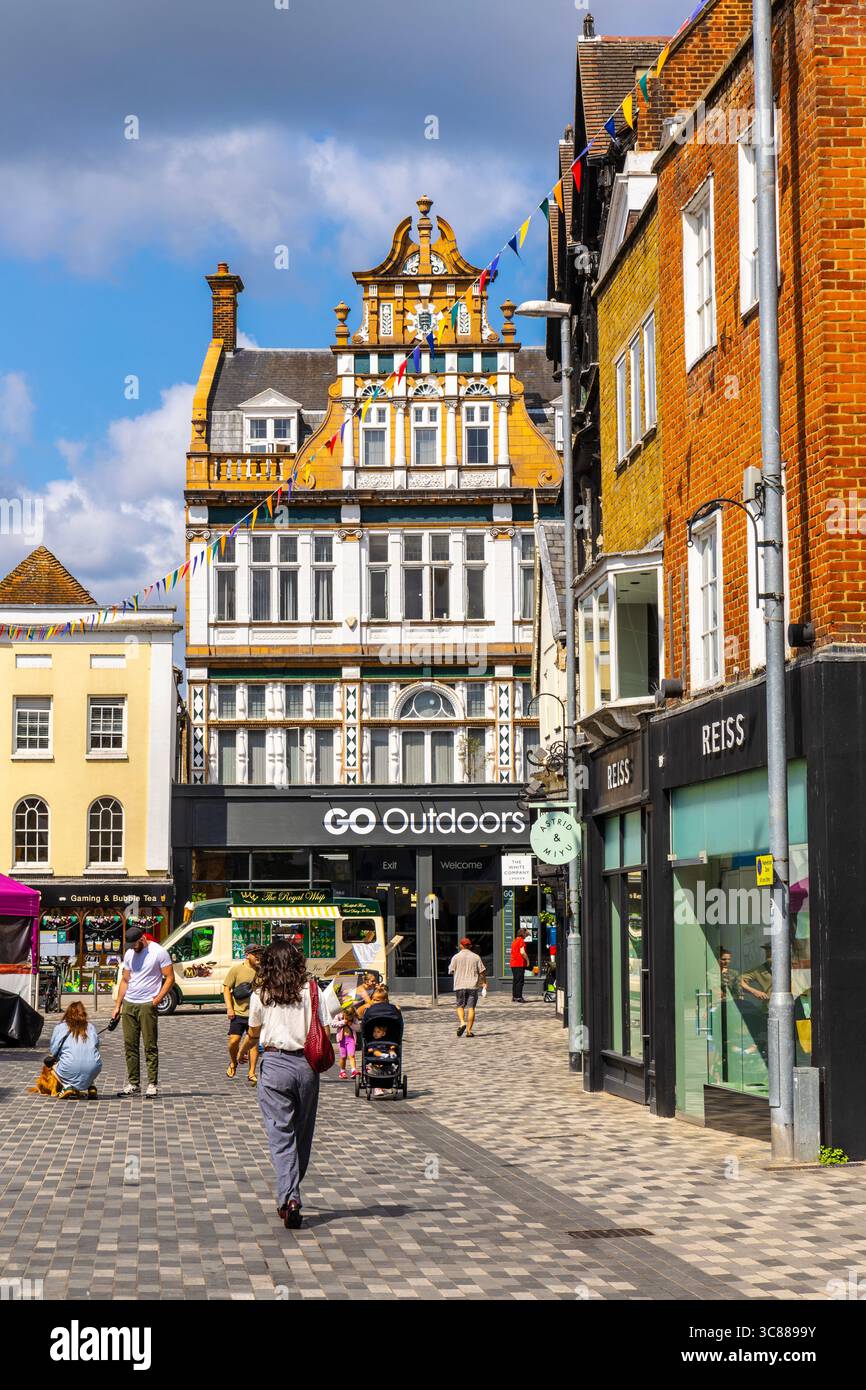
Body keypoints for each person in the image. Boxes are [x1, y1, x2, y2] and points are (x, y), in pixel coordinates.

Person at [247, 937, 340, 1229]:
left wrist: (239, 1053)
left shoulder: (260, 993)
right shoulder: (313, 991)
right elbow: (325, 1031)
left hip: (274, 1065)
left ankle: (290, 1197)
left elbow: (252, 1032)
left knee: (280, 1134)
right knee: (302, 1133)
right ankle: (290, 1192)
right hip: (306, 1066)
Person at [112, 924, 175, 1098]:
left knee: (150, 1045)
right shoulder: (129, 953)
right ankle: (134, 1084)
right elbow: (125, 981)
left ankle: (152, 1084)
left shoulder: (158, 952)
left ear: (143, 938)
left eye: (135, 943)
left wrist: (157, 999)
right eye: (130, 945)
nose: (133, 947)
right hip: (129, 1003)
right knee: (130, 1045)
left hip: (148, 1004)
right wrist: (118, 1005)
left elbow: (170, 977)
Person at [29, 1001, 103, 1098]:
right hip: (95, 1066)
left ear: (67, 1013)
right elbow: (96, 1046)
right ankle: (91, 1086)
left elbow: (54, 1050)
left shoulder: (60, 1027)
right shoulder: (91, 1027)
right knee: (86, 1063)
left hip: (69, 1066)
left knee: (52, 1067)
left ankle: (67, 1087)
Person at [223, 944, 261, 1085]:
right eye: (255, 953)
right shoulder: (237, 970)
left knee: (254, 1043)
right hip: (239, 1013)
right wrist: (229, 1008)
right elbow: (226, 988)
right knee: (233, 1041)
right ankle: (233, 1062)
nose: (258, 956)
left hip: (255, 1014)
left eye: (260, 953)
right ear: (247, 955)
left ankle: (251, 1072)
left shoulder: (262, 971)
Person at [447, 937, 487, 1037]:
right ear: (470, 946)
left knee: (460, 1006)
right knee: (471, 1008)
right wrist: (484, 982)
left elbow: (451, 971)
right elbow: (482, 972)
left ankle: (462, 1022)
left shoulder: (455, 957)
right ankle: (469, 1031)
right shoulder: (476, 957)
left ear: (461, 946)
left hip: (460, 985)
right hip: (472, 986)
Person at [333, 998, 360, 1081]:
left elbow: (358, 1028)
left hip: (351, 1039)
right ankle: (342, 1071)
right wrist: (342, 1022)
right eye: (347, 1016)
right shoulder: (339, 1016)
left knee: (352, 1055)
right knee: (343, 1056)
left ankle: (353, 1070)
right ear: (343, 1012)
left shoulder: (354, 1018)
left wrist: (351, 1024)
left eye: (350, 1016)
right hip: (342, 1039)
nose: (349, 1018)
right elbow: (333, 1024)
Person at [509, 927, 529, 1002]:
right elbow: (522, 952)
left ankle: (514, 996)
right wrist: (527, 960)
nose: (526, 936)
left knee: (515, 980)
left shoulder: (515, 941)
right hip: (519, 963)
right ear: (523, 934)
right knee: (520, 981)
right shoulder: (521, 941)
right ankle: (519, 997)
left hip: (513, 964)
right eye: (526, 934)